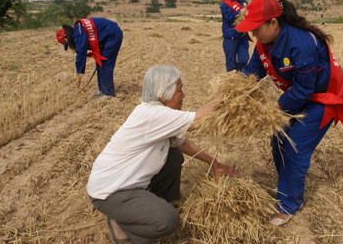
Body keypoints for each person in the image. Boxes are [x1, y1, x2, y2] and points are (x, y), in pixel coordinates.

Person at [235, 0, 343, 226]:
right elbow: (253, 72)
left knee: (295, 146)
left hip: (323, 99)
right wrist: (232, 91)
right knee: (278, 137)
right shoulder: (265, 43)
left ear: (273, 23)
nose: (253, 35)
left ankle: (289, 204)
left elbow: (304, 91)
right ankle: (286, 186)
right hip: (299, 95)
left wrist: (273, 108)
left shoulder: (301, 43)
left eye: (256, 29)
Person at [87, 65, 239, 244]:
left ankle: (156, 205)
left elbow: (183, 143)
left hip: (124, 185)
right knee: (168, 221)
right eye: (179, 91)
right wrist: (222, 91)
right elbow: (202, 118)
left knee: (173, 154)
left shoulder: (156, 113)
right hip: (110, 193)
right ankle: (122, 225)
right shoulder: (153, 115)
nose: (183, 95)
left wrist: (215, 164)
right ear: (162, 95)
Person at [56, 17, 123, 99]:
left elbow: (81, 55)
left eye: (65, 42)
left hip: (112, 35)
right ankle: (102, 89)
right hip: (106, 36)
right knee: (100, 63)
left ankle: (108, 92)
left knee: (105, 64)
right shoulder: (78, 31)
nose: (68, 45)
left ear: (66, 37)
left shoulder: (78, 34)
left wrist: (78, 76)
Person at [220, 0, 250, 72]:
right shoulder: (224, 5)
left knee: (244, 59)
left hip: (242, 36)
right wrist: (241, 12)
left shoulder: (244, 3)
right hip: (231, 37)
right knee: (231, 63)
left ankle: (238, 74)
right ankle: (232, 81)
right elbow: (230, 18)